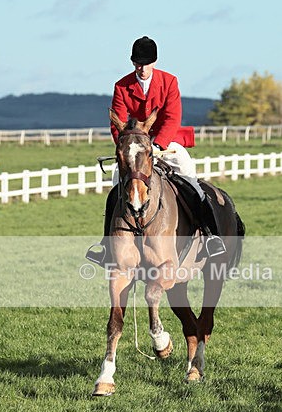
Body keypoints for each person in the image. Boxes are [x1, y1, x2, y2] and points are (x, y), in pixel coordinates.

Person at [87, 36, 226, 265]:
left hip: (166, 142)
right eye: (138, 64)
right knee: (115, 188)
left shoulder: (169, 81)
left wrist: (158, 144)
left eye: (147, 63)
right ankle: (106, 246)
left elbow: (172, 117)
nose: (142, 69)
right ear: (133, 63)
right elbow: (117, 124)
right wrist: (127, 147)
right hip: (134, 147)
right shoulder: (121, 86)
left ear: (154, 62)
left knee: (191, 179)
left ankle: (211, 237)